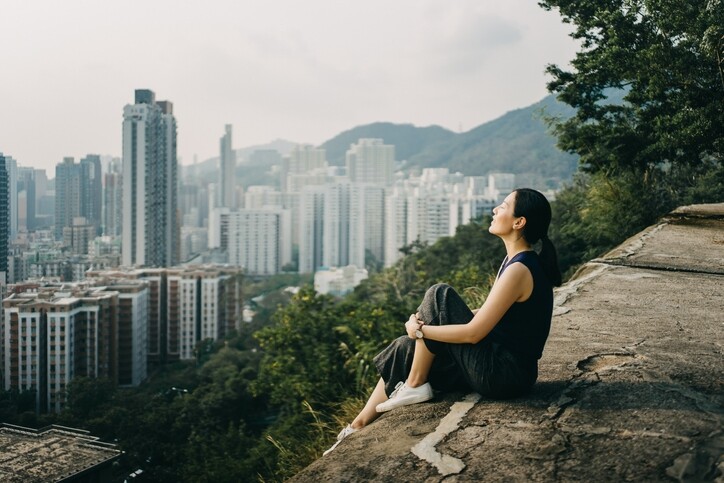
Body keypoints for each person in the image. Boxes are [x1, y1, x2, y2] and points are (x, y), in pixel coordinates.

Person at [324, 188, 562, 456]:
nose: (495, 209)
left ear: (519, 222)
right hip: (501, 366)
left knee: (439, 294)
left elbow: (473, 333)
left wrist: (422, 330)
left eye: (504, 206)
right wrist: (421, 331)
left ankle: (415, 384)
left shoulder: (519, 268)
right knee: (405, 345)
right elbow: (486, 315)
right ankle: (356, 427)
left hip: (504, 374)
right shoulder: (514, 261)